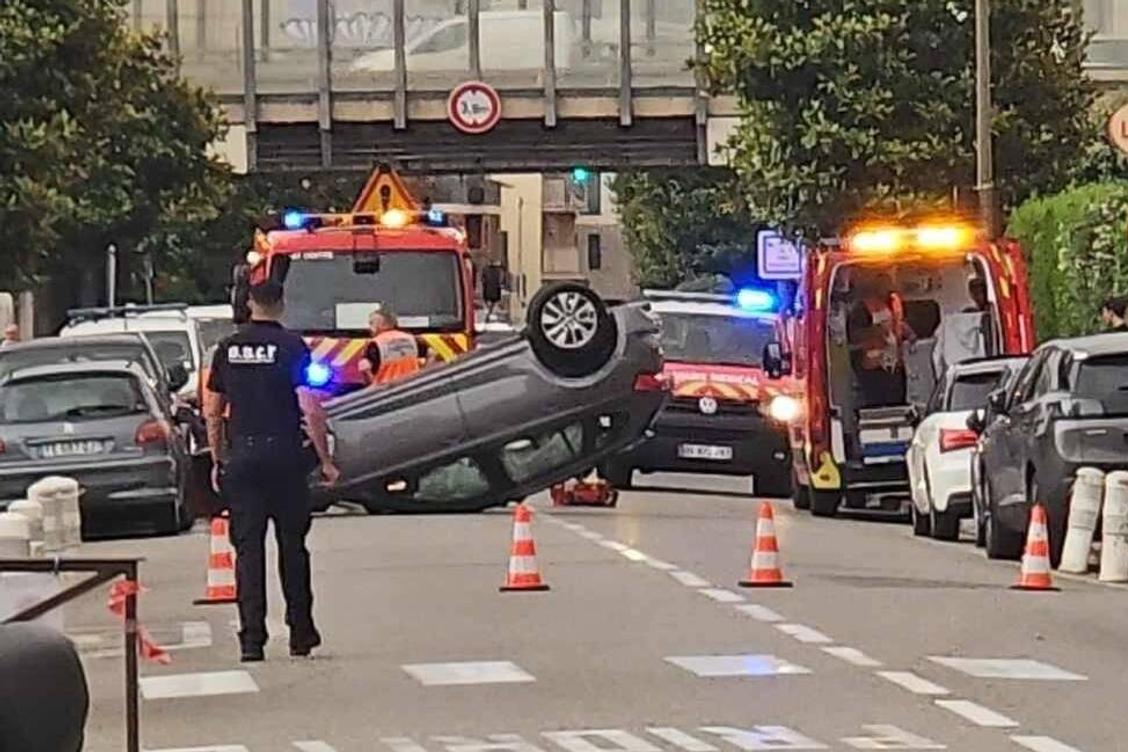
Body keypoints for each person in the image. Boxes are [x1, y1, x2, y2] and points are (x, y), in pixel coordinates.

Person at [203, 280, 340, 662]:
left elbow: (213, 411)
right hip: (284, 457)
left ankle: (252, 640)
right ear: (280, 305)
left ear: (248, 303)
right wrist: (325, 459)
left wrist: (218, 458)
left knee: (248, 553)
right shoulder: (291, 346)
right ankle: (301, 632)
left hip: (243, 458)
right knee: (292, 547)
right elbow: (310, 406)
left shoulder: (227, 350)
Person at [847, 272, 913, 407]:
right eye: (886, 283)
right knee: (877, 404)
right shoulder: (862, 308)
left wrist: (907, 332)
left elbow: (896, 325)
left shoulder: (893, 302)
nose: (890, 286)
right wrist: (875, 332)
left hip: (894, 366)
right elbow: (853, 337)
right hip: (873, 368)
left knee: (897, 401)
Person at [357, 304, 423, 385]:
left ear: (381, 325)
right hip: (411, 387)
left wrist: (367, 374)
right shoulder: (410, 339)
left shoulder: (375, 344)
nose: (369, 328)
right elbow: (432, 353)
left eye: (371, 323)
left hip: (387, 392)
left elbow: (366, 370)